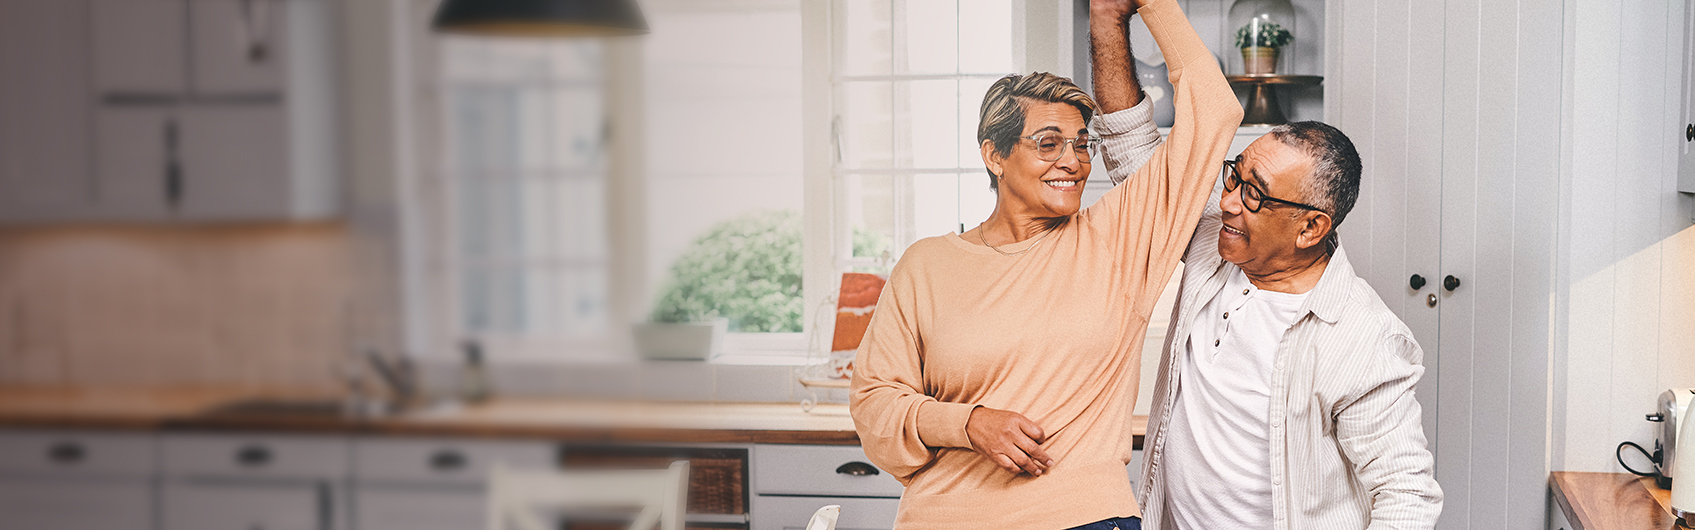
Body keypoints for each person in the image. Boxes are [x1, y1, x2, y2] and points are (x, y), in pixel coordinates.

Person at [847, 0, 1242, 528]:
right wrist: (968, 424)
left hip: (1081, 517)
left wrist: (1151, 5)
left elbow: (1215, 110)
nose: (1073, 163)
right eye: (1048, 143)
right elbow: (874, 404)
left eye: (1082, 145)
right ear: (995, 155)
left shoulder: (1119, 239)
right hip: (941, 517)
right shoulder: (926, 265)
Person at [1109, 121, 1445, 529]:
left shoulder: (1364, 336)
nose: (1229, 202)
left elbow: (1407, 493)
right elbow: (1139, 163)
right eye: (1234, 176)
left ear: (1310, 228)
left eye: (1255, 194)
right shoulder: (1215, 243)